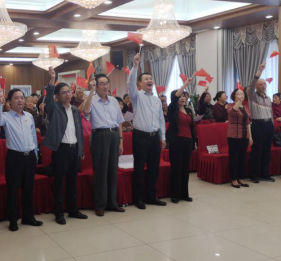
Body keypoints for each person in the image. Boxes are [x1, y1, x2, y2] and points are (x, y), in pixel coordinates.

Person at [0, 88, 43, 232]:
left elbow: (33, 135)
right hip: (14, 157)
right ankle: (13, 219)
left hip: (30, 156)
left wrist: (35, 153)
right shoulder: (5, 116)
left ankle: (28, 217)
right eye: (16, 98)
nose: (20, 100)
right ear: (9, 101)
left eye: (22, 97)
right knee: (13, 189)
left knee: (29, 188)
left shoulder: (29, 116)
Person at [44, 67, 88, 225]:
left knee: (72, 182)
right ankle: (59, 213)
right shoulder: (54, 108)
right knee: (59, 183)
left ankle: (73, 210)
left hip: (74, 150)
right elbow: (48, 102)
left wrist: (81, 150)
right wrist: (51, 80)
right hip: (61, 150)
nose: (68, 94)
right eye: (64, 92)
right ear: (57, 96)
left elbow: (79, 132)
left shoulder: (75, 110)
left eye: (69, 91)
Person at [83, 74, 126, 217]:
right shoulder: (92, 99)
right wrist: (91, 91)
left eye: (107, 83)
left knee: (113, 170)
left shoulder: (113, 100)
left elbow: (119, 121)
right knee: (101, 171)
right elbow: (86, 111)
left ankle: (112, 203)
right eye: (102, 84)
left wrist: (121, 140)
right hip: (100, 136)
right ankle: (100, 205)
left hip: (114, 135)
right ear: (96, 86)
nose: (105, 86)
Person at [128, 54, 167, 210]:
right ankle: (138, 199)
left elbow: (161, 120)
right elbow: (130, 83)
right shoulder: (136, 96)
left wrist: (162, 137)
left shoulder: (157, 100)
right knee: (139, 169)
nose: (149, 80)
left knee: (153, 168)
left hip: (154, 137)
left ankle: (151, 196)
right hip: (140, 137)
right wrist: (135, 66)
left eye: (151, 78)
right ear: (140, 83)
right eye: (146, 79)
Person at [167, 77, 197, 204]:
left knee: (185, 168)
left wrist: (194, 141)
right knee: (176, 168)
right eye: (180, 96)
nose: (183, 98)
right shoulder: (172, 109)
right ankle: (175, 194)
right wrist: (185, 85)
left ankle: (184, 193)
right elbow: (174, 98)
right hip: (177, 141)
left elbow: (192, 128)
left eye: (184, 96)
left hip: (188, 141)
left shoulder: (188, 110)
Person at [248, 64, 276, 184]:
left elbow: (270, 113)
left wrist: (272, 125)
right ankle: (254, 175)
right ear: (256, 86)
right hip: (257, 125)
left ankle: (265, 174)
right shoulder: (252, 96)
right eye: (260, 84)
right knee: (257, 151)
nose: (263, 86)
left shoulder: (268, 98)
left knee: (266, 151)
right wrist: (259, 72)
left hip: (268, 125)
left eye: (264, 84)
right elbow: (251, 86)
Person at [228, 89, 253, 188]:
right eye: (238, 94)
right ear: (234, 96)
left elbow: (248, 122)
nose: (240, 95)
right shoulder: (230, 106)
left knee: (242, 158)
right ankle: (233, 179)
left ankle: (241, 178)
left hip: (244, 135)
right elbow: (232, 112)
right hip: (234, 135)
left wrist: (250, 136)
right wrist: (238, 102)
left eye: (242, 94)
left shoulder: (245, 107)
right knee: (234, 158)